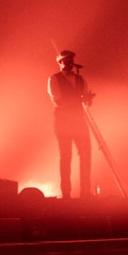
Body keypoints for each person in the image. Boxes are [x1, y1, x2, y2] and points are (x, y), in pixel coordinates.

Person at [47, 50, 94, 199]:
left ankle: (85, 191)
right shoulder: (54, 79)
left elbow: (86, 103)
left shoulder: (81, 79)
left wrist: (88, 99)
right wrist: (81, 100)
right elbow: (59, 101)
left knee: (86, 155)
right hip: (63, 122)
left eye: (71, 59)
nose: (69, 63)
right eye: (66, 60)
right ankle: (66, 192)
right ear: (60, 62)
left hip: (79, 120)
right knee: (66, 156)